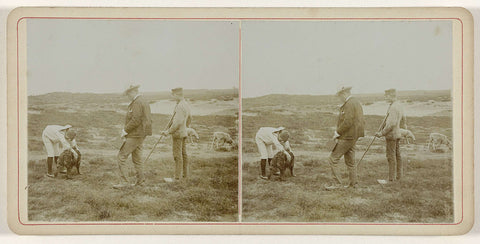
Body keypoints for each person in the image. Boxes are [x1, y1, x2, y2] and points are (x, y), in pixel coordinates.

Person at [325, 85, 365, 189]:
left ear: (344, 94)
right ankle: (353, 184)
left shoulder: (350, 103)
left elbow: (348, 121)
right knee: (350, 161)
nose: (339, 98)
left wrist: (337, 132)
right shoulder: (355, 102)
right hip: (352, 136)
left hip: (347, 136)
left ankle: (337, 184)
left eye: (339, 96)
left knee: (333, 159)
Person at [114, 84, 152, 189]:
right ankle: (141, 182)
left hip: (135, 134)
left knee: (121, 157)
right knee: (137, 159)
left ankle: (124, 182)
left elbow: (135, 120)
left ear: (133, 92)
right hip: (140, 134)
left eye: (128, 94)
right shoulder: (143, 100)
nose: (127, 96)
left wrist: (125, 130)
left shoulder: (137, 102)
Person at [375, 89, 407, 184]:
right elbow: (404, 120)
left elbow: (391, 124)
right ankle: (399, 177)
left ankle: (390, 179)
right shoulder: (399, 105)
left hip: (392, 135)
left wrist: (381, 133)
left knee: (391, 156)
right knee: (397, 155)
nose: (385, 97)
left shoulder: (393, 107)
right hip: (397, 134)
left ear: (391, 95)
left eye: (386, 96)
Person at [161, 87, 192, 181]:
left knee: (177, 155)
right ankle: (185, 176)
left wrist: (168, 131)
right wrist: (185, 128)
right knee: (183, 154)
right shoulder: (185, 104)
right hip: (183, 132)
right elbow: (190, 118)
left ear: (177, 95)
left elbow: (177, 122)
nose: (172, 97)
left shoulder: (180, 106)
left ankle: (177, 178)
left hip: (178, 134)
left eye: (173, 95)